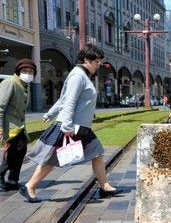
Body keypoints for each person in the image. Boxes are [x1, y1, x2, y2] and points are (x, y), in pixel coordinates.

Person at [20, 44, 122, 203]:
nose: (99, 64)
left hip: (82, 128)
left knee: (97, 153)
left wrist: (50, 113)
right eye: (97, 61)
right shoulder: (78, 76)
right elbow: (69, 102)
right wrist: (66, 126)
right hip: (72, 127)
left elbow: (63, 99)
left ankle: (105, 186)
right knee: (52, 159)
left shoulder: (81, 75)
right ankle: (30, 186)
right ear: (87, 59)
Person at [0, 59, 37, 191]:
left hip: (19, 126)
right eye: (25, 71)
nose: (28, 73)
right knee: (14, 151)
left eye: (31, 71)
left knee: (21, 150)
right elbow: (0, 107)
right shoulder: (10, 82)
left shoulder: (24, 85)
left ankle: (13, 180)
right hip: (8, 126)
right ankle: (2, 174)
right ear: (18, 71)